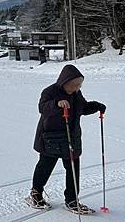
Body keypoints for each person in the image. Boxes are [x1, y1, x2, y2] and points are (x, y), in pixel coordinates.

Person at [26, 64, 106, 214]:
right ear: (64, 81)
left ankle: (71, 200)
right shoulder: (50, 92)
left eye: (79, 85)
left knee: (73, 170)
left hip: (72, 137)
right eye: (74, 85)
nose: (76, 88)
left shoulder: (76, 94)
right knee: (45, 167)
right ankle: (35, 194)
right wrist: (57, 104)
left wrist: (95, 106)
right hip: (51, 138)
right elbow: (42, 108)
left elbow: (81, 108)